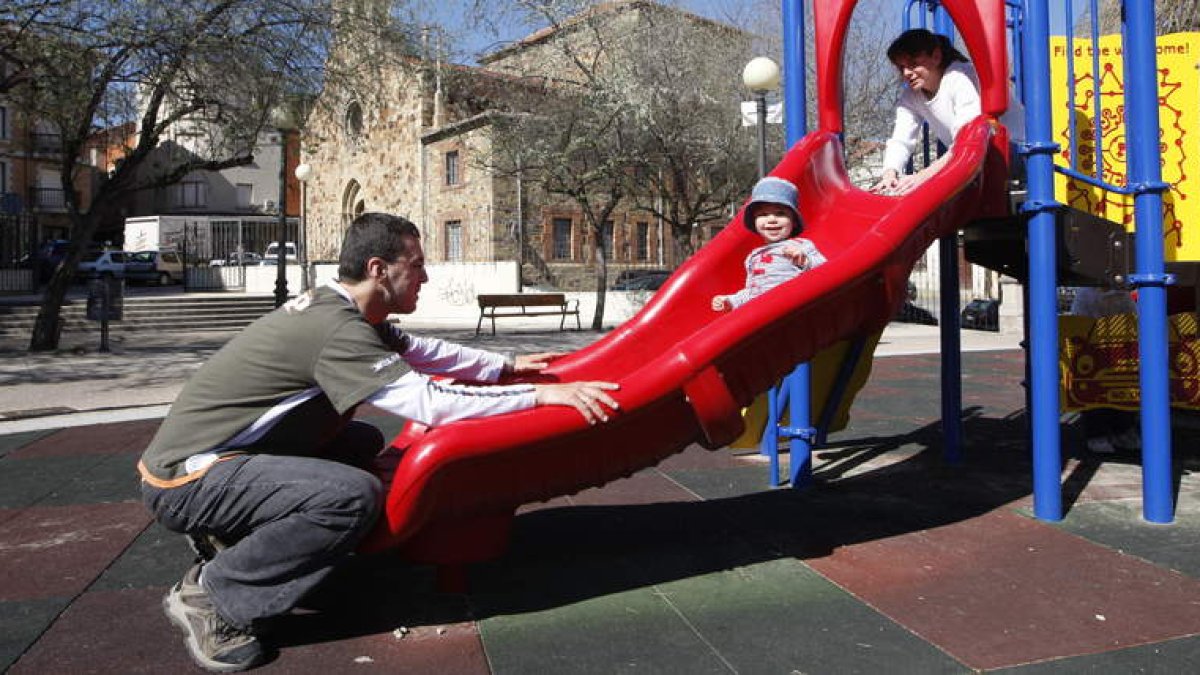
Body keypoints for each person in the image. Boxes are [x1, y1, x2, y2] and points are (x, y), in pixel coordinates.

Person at [139, 212, 620, 672]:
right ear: (379, 269)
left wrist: (505, 367)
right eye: (416, 266)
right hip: (188, 478)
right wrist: (540, 395)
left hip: (213, 462)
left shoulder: (345, 311)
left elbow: (422, 351)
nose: (425, 278)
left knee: (358, 440)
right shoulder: (337, 329)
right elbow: (432, 404)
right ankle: (215, 597)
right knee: (352, 496)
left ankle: (234, 537)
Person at [870, 28, 1025, 196]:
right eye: (901, 67)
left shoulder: (961, 77)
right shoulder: (911, 95)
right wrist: (889, 173)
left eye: (914, 63)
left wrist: (923, 176)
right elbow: (901, 138)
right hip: (975, 153)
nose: (907, 73)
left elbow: (967, 140)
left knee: (945, 181)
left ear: (936, 57)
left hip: (1016, 150)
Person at [712, 176, 827, 312]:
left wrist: (805, 261)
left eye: (780, 213)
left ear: (794, 220)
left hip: (791, 308)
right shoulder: (754, 257)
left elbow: (826, 269)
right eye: (763, 214)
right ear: (755, 220)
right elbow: (752, 292)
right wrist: (730, 301)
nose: (772, 219)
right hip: (762, 314)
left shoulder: (800, 245)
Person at [1069, 286, 1141, 455]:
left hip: (1117, 347)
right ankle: (1100, 434)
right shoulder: (1087, 294)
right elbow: (1078, 322)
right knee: (1096, 392)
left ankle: (1120, 431)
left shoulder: (1122, 295)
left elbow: (1133, 320)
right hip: (1096, 348)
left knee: (1122, 389)